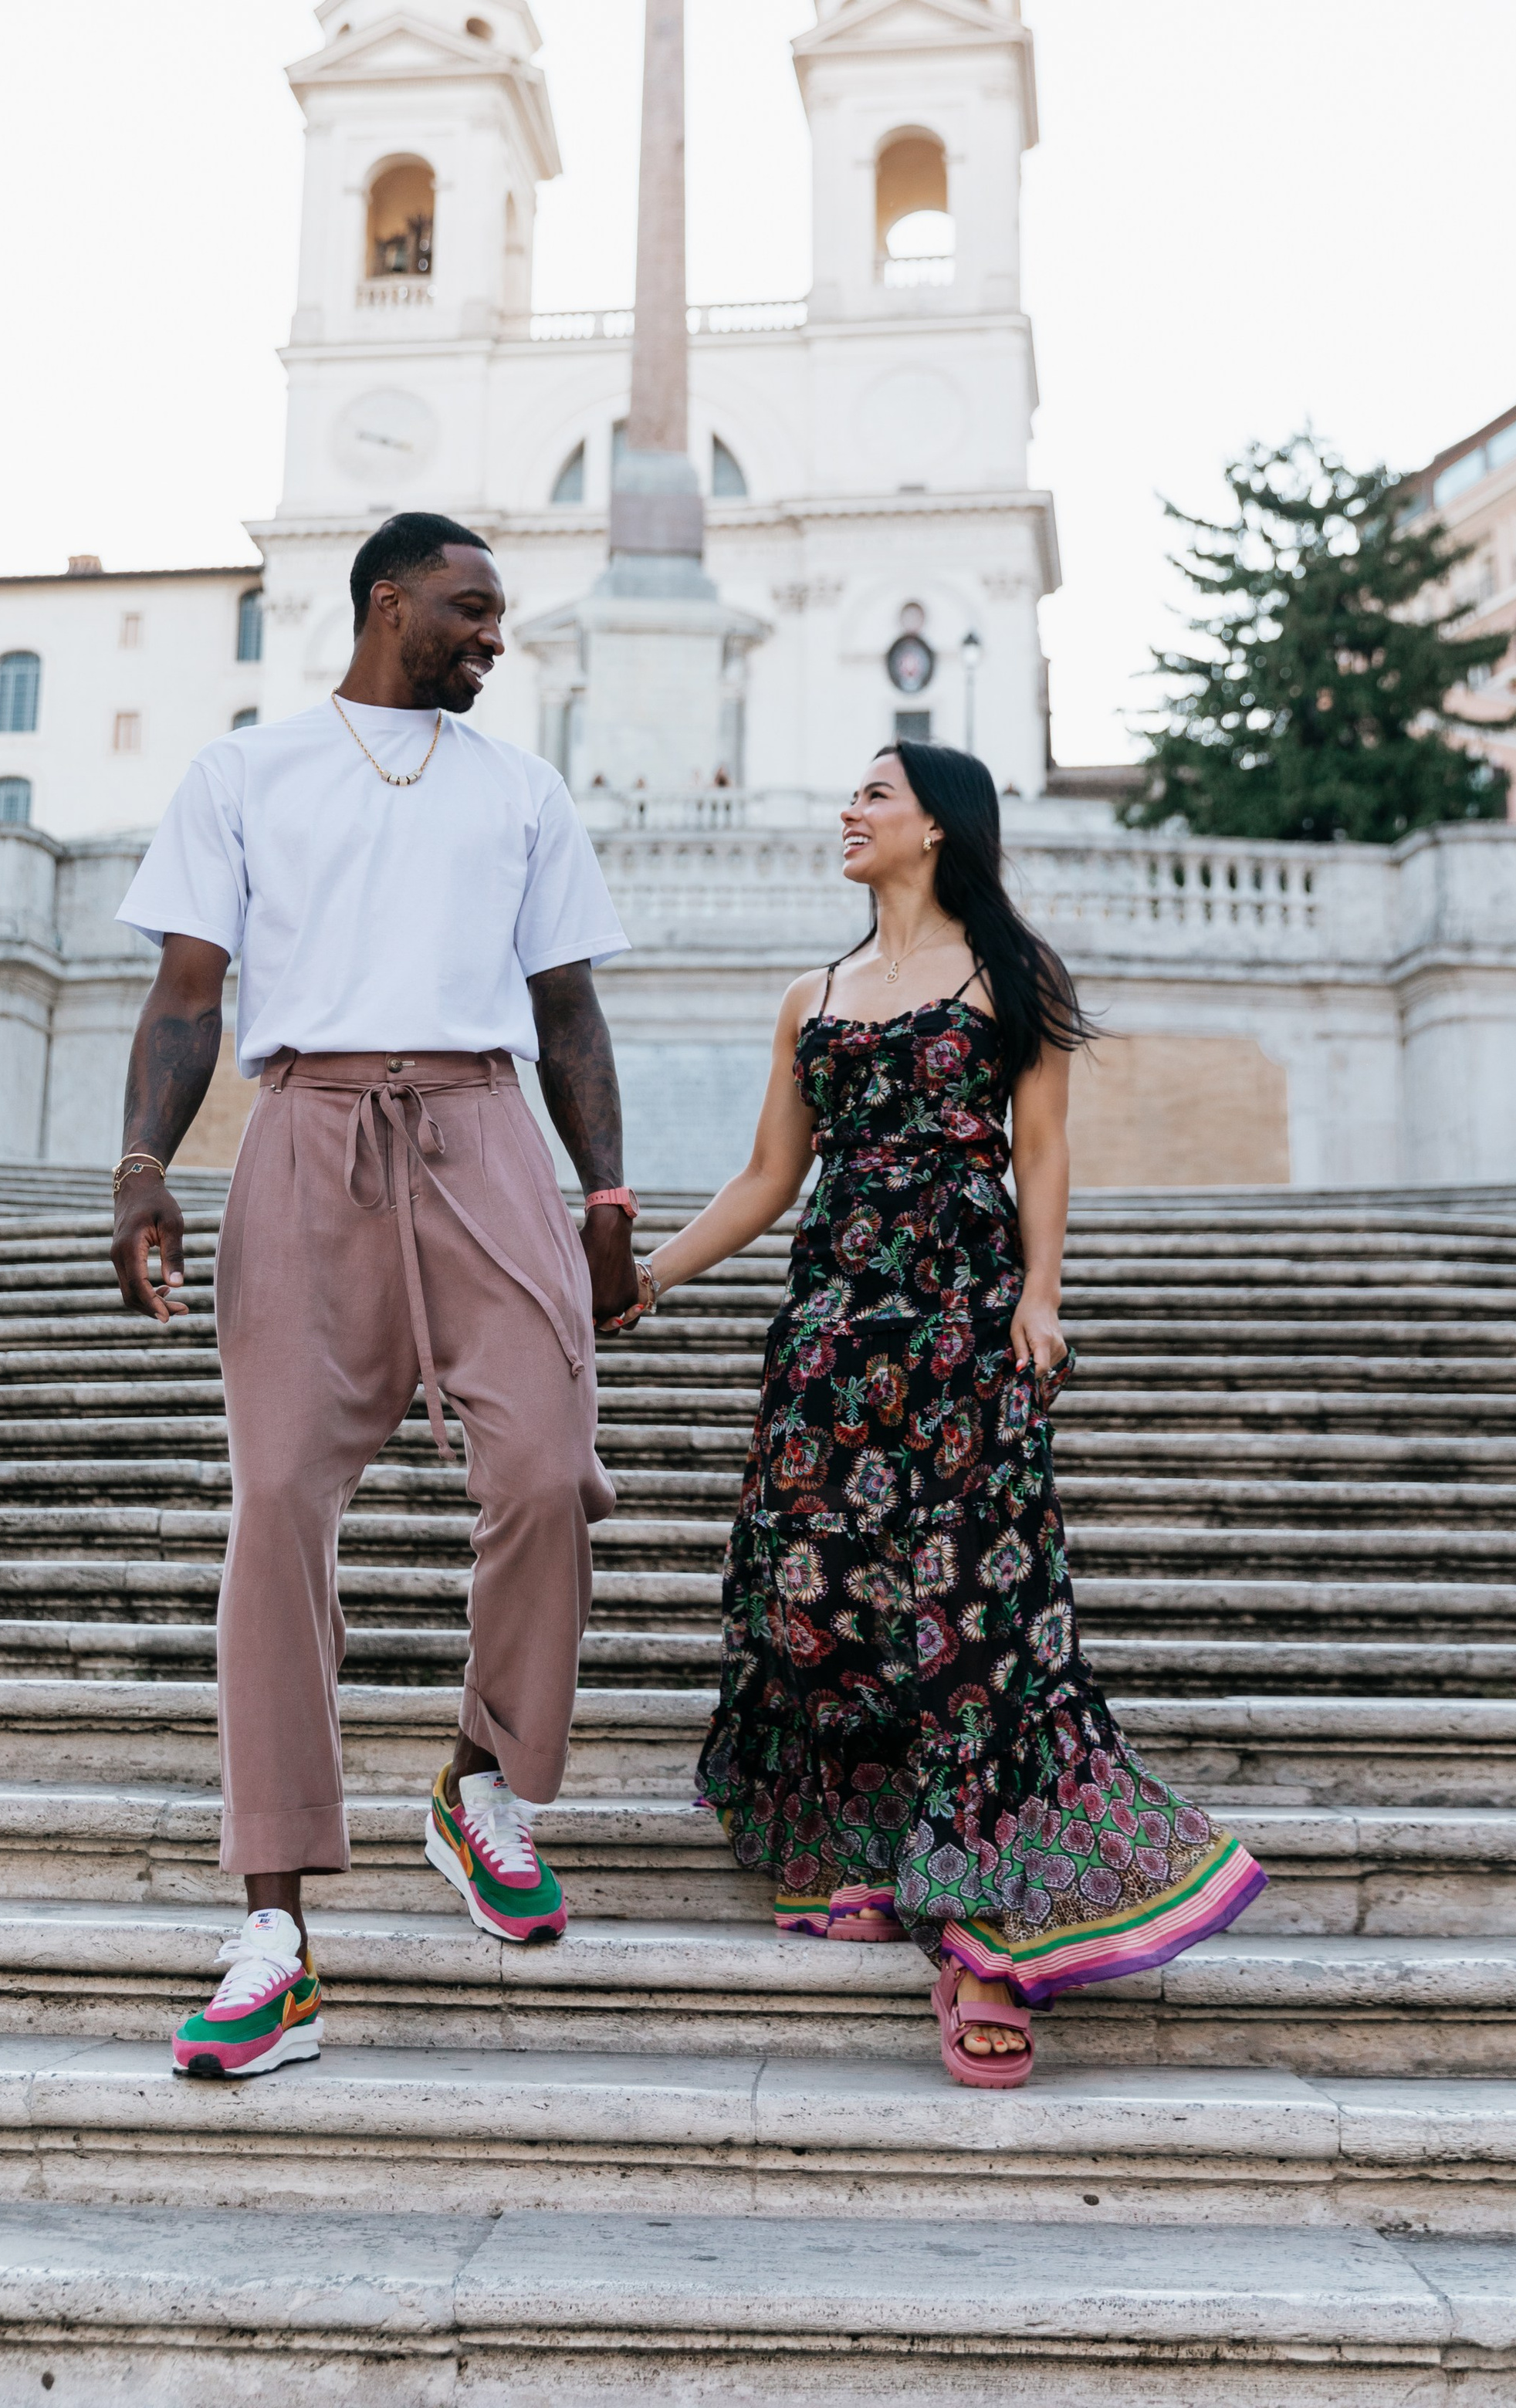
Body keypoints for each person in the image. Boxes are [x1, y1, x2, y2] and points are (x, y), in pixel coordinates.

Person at [610, 741, 1265, 2086]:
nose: (848, 810)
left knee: (975, 1616)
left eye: (874, 795)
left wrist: (1042, 1298)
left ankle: (981, 1936)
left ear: (937, 829)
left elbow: (1045, 1150)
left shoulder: (1011, 977)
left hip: (964, 1323)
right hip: (833, 1334)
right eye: (848, 790)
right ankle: (866, 1845)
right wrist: (649, 1279)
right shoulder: (814, 995)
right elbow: (765, 1177)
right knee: (822, 1592)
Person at [110, 512, 639, 2080]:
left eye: (499, 616)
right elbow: (184, 995)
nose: (493, 635)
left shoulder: (519, 790)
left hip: (483, 1133)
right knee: (275, 1504)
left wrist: (605, 1197)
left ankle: (481, 1783)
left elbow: (570, 1010)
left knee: (546, 1468)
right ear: (386, 600)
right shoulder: (245, 773)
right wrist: (143, 1166)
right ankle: (272, 1932)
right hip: (306, 1132)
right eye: (471, 610)